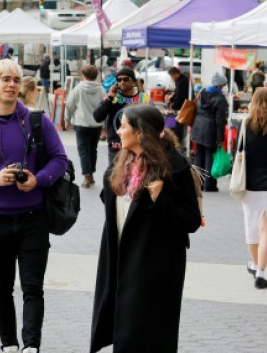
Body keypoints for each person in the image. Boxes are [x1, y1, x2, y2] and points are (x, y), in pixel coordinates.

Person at [0, 59, 69, 353]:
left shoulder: (37, 121)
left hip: (34, 217)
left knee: (33, 287)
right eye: (5, 79)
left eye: (16, 80)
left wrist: (39, 179)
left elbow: (60, 160)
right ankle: (8, 344)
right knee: (2, 288)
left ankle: (31, 346)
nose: (11, 85)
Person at [90, 105, 202, 352]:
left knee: (145, 333)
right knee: (123, 327)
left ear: (140, 133)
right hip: (120, 258)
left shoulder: (173, 167)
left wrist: (161, 199)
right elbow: (108, 199)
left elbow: (191, 220)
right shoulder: (121, 163)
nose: (118, 131)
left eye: (124, 126)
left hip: (155, 265)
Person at [240, 88, 267, 289]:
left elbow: (237, 153)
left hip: (250, 185)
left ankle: (255, 265)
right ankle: (260, 273)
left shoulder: (246, 124)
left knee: (251, 228)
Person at [93, 67, 150, 169]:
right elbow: (97, 117)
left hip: (138, 146)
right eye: (119, 80)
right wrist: (110, 97)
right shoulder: (112, 97)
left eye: (126, 79)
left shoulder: (144, 98)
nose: (122, 82)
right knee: (115, 178)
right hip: (116, 147)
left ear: (133, 81)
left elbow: (152, 121)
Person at [66, 65, 104, 189]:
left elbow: (70, 105)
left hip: (81, 123)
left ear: (83, 75)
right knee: (93, 149)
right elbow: (105, 106)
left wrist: (67, 119)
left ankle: (87, 176)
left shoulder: (78, 89)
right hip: (96, 124)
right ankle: (91, 173)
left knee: (83, 150)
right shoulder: (101, 89)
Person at [192, 72, 228, 192]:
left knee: (199, 155)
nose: (224, 86)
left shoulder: (202, 93)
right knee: (209, 156)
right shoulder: (220, 99)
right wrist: (220, 137)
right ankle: (209, 185)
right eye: (223, 84)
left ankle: (197, 183)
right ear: (220, 85)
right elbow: (220, 120)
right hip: (210, 129)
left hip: (198, 127)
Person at [167, 66, 190, 144]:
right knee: (172, 124)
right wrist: (171, 99)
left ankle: (175, 142)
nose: (171, 78)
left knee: (175, 126)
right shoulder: (180, 81)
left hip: (181, 108)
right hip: (179, 107)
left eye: (171, 76)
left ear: (175, 74)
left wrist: (173, 106)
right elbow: (176, 94)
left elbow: (180, 96)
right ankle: (172, 139)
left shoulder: (182, 82)